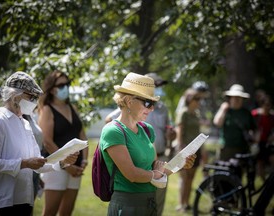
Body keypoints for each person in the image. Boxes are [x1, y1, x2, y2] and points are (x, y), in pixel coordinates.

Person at [99, 72, 196, 216]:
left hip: (149, 204)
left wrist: (181, 163)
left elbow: (155, 168)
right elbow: (132, 174)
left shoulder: (147, 129)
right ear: (129, 101)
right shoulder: (113, 131)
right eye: (148, 103)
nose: (152, 109)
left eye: (153, 104)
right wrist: (155, 173)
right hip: (127, 207)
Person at [0, 71, 78, 215]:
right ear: (15, 96)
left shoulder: (25, 124)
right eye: (31, 97)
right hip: (2, 201)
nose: (34, 102)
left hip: (24, 200)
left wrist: (62, 162)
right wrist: (24, 163)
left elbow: (38, 164)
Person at [38, 70, 88, 216]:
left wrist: (84, 160)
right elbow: (47, 141)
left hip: (76, 168)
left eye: (67, 84)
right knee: (50, 212)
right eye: (61, 85)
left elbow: (82, 135)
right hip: (56, 168)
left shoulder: (73, 107)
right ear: (52, 88)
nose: (65, 87)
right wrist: (68, 165)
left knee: (67, 212)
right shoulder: (47, 109)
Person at [174, 88, 203, 212]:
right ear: (189, 99)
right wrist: (180, 148)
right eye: (195, 98)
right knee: (184, 178)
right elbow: (179, 130)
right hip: (185, 149)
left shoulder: (197, 113)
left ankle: (187, 203)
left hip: (196, 150)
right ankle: (181, 204)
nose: (198, 101)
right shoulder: (183, 112)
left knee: (191, 178)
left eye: (198, 98)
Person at [213, 84, 257, 161]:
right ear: (230, 98)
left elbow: (254, 130)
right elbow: (217, 123)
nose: (236, 99)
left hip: (242, 149)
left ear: (243, 99)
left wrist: (254, 142)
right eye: (234, 97)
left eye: (239, 97)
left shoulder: (246, 113)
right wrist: (223, 109)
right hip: (226, 148)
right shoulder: (226, 111)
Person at [251, 94, 274, 181]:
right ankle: (263, 181)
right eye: (266, 105)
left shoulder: (272, 117)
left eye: (269, 105)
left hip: (268, 142)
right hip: (257, 143)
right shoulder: (255, 114)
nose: (268, 107)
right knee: (260, 163)